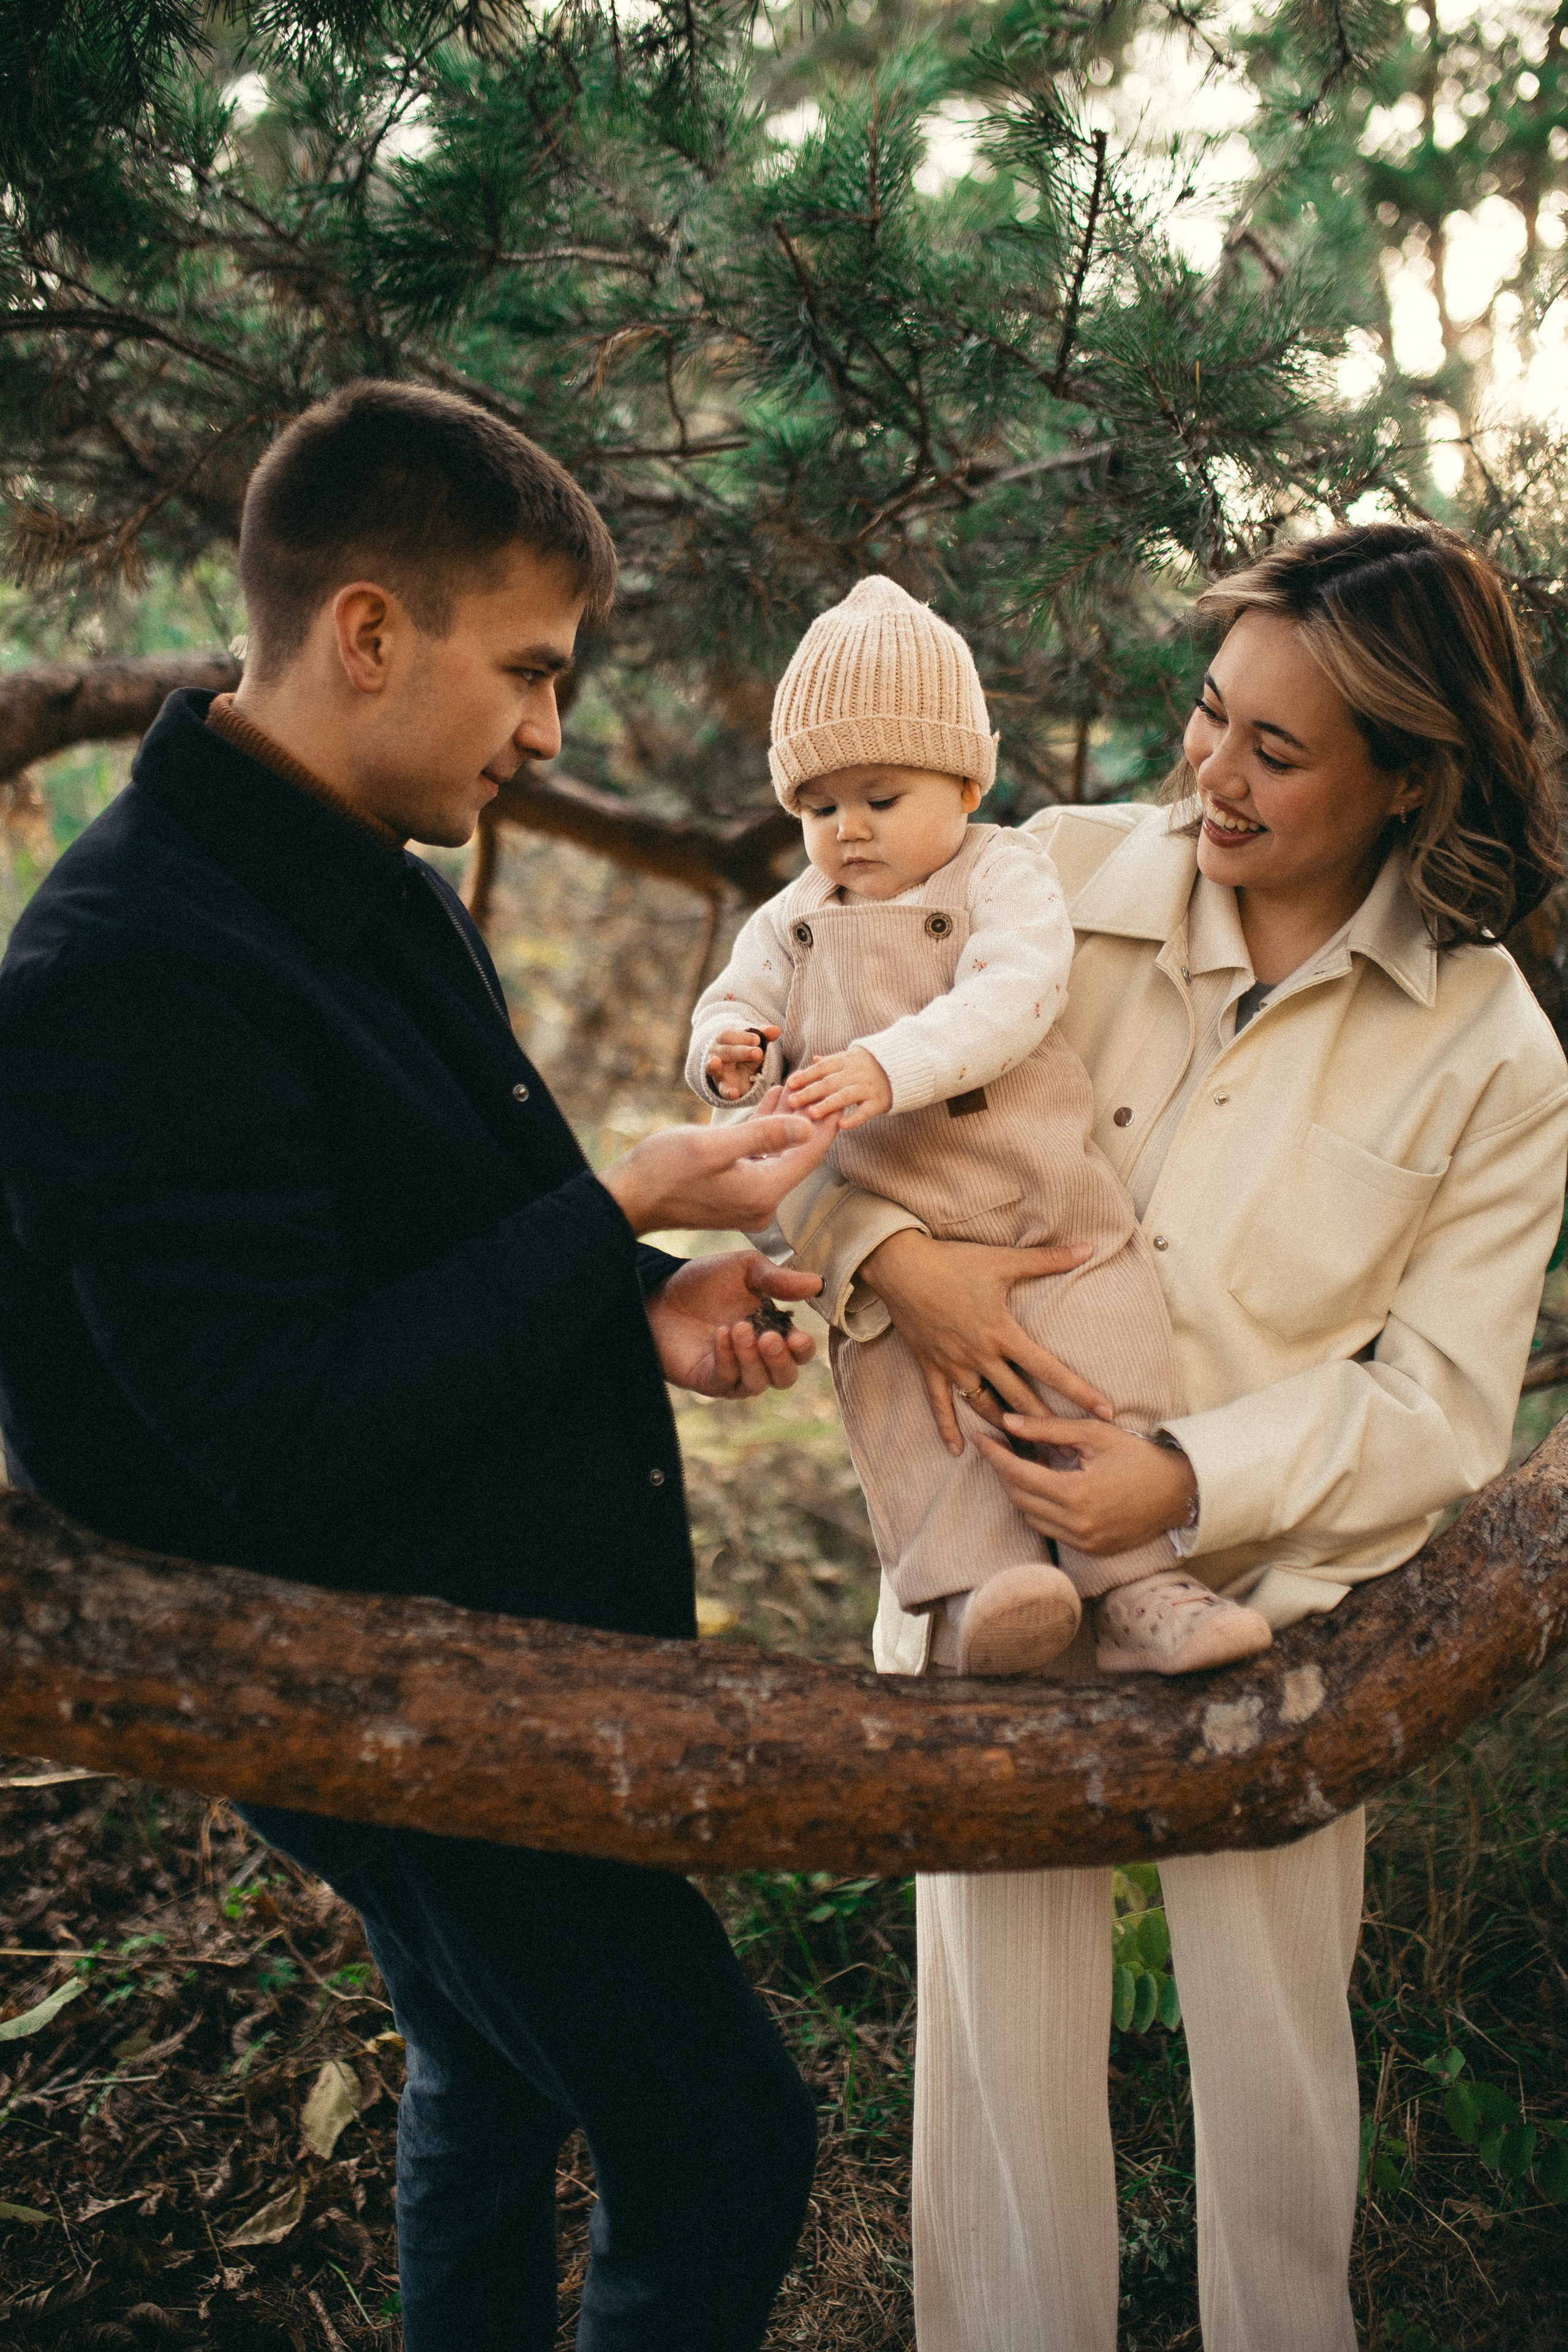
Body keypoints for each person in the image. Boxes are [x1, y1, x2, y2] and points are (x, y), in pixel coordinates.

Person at [0, 380, 861, 2352]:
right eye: (532, 672)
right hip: (386, 1704)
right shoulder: (120, 968)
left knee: (490, 2072)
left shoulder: (375, 885)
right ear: (369, 631)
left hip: (491, 1641)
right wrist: (619, 1202)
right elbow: (277, 1435)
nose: (554, 732)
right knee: (725, 2139)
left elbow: (433, 1235)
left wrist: (635, 1290)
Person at [771, 525, 1568, 2350]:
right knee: (998, 2058)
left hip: (1269, 1609)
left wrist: (1185, 1483)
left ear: (1409, 779)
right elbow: (809, 1113)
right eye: (1211, 715)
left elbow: (1439, 1401)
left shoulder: (1497, 1055)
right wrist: (911, 1267)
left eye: (1278, 754)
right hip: (986, 1577)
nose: (1210, 773)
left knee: (1280, 2077)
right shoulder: (1033, 878)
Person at [688, 575, 1272, 1679]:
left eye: (881, 795)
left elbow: (1015, 994)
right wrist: (732, 1053)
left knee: (1101, 1365)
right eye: (817, 807)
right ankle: (981, 1594)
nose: (847, 829)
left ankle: (1143, 1587)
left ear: (967, 779)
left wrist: (881, 1065)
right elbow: (737, 1005)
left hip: (1041, 1202)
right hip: (891, 1226)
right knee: (923, 1420)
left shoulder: (1006, 870)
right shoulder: (794, 920)